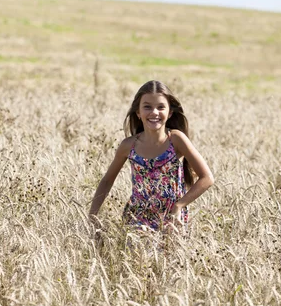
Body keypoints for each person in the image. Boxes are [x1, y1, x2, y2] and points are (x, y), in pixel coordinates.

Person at [88, 80, 214, 239]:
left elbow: (207, 178)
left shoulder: (176, 140)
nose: (154, 112)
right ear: (138, 113)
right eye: (147, 107)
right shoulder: (128, 146)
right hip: (136, 221)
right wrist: (92, 216)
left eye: (161, 107)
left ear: (170, 113)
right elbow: (107, 181)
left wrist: (179, 206)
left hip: (171, 221)